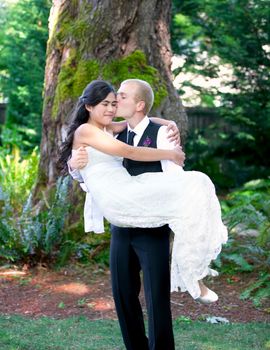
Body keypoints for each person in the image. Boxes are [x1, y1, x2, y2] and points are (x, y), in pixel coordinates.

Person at [60, 79, 228, 350]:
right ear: (89, 106)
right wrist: (72, 164)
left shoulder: (152, 132)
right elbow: (103, 161)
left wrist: (166, 124)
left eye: (116, 101)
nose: (113, 107)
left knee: (156, 296)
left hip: (150, 220)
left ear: (137, 105)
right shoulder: (103, 132)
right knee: (123, 294)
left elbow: (173, 176)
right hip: (122, 217)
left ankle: (193, 274)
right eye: (108, 103)